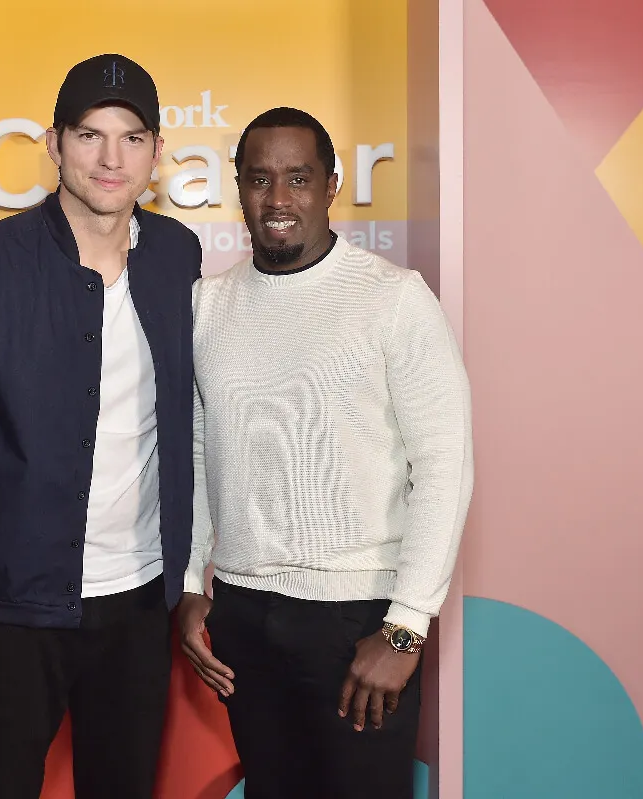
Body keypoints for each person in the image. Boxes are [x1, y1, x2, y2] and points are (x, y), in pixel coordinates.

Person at [0, 54, 203, 799]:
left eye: (132, 138)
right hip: (8, 608)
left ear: (157, 152)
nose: (111, 158)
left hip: (139, 604)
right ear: (54, 142)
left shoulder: (177, 257)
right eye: (90, 135)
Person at [178, 107, 473, 799]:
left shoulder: (394, 299)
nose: (277, 199)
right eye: (259, 179)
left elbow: (443, 468)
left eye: (299, 178)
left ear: (332, 185)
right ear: (239, 188)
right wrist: (192, 583)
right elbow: (195, 450)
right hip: (244, 614)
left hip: (358, 620)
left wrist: (403, 630)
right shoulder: (208, 306)